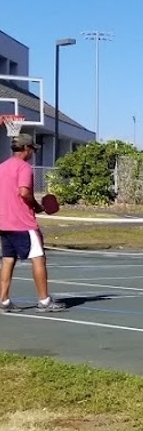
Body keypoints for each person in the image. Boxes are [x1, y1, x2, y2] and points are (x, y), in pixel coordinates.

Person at [0, 133, 66, 313]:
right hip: (23, 223)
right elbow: (23, 192)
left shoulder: (2, 167)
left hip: (4, 223)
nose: (33, 153)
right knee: (38, 258)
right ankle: (44, 301)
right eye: (32, 149)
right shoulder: (24, 168)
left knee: (7, 260)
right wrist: (36, 206)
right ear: (26, 149)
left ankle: (4, 300)